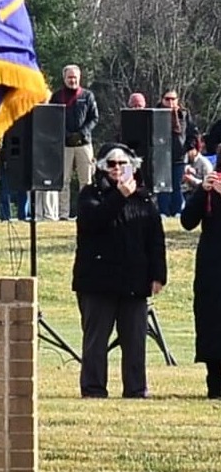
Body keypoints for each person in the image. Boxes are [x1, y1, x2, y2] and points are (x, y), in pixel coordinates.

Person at [73, 144, 168, 400]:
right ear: (102, 167)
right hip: (97, 281)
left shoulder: (145, 198)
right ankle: (93, 389)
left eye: (122, 164)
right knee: (95, 341)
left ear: (132, 166)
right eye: (111, 164)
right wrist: (119, 196)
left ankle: (136, 389)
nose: (117, 169)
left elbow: (155, 238)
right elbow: (93, 222)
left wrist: (158, 275)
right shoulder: (90, 194)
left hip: (134, 281)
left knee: (135, 341)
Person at [180, 150, 221, 399]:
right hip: (211, 267)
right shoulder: (210, 188)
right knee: (211, 322)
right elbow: (187, 221)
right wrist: (201, 191)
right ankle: (214, 385)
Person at [54, 65, 98, 216]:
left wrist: (82, 133)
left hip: (84, 143)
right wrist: (66, 135)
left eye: (75, 77)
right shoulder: (57, 97)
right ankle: (63, 213)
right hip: (64, 144)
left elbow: (94, 118)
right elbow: (53, 118)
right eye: (69, 77)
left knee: (86, 180)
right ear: (64, 78)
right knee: (63, 180)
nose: (72, 80)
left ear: (79, 78)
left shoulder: (87, 96)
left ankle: (86, 212)